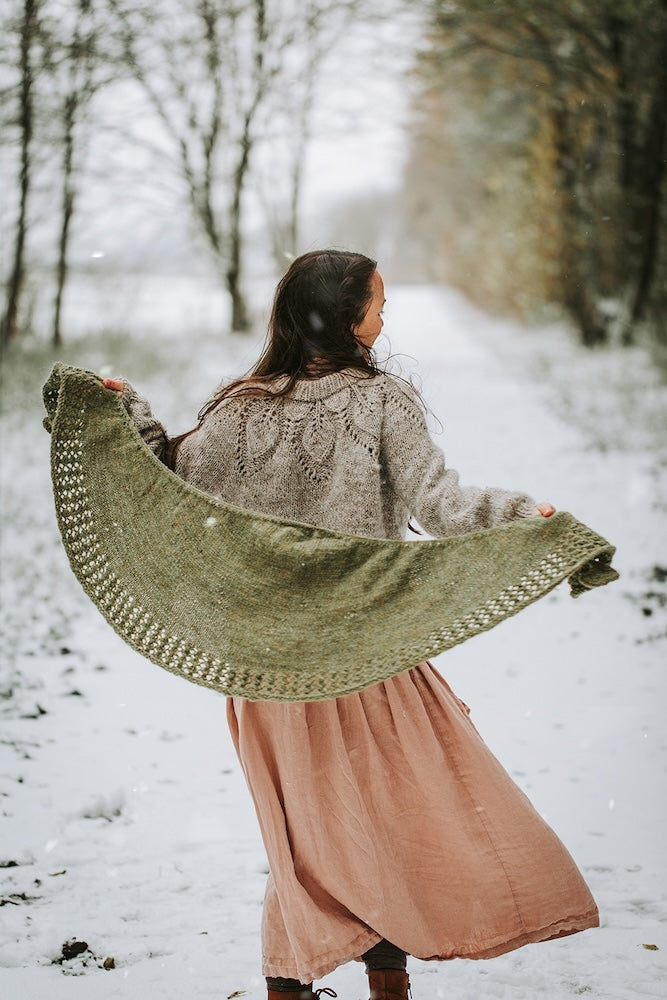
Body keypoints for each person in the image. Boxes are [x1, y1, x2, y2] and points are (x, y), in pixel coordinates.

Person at [102, 249, 597, 1000]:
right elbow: (442, 506)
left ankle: (291, 984)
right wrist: (528, 519)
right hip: (367, 652)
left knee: (303, 840)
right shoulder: (380, 401)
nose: (383, 316)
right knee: (388, 822)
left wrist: (122, 415)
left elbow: (166, 479)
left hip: (267, 670)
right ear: (345, 316)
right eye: (376, 304)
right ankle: (375, 983)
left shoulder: (242, 406)